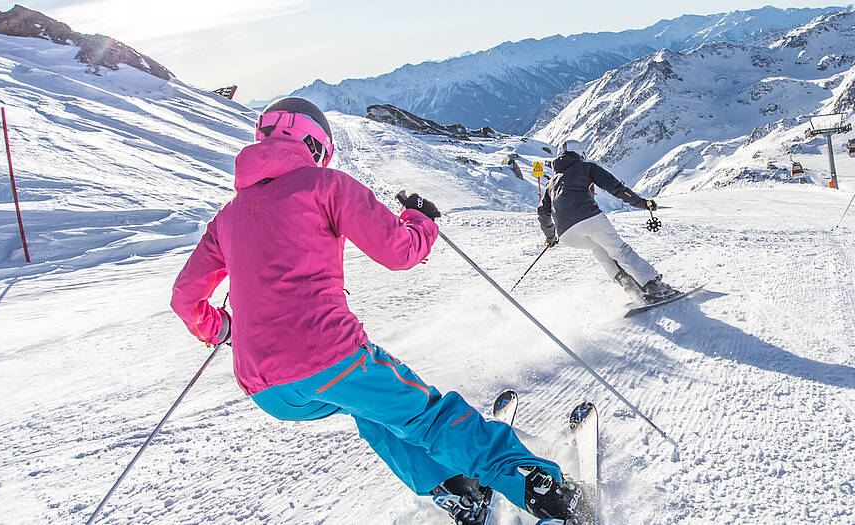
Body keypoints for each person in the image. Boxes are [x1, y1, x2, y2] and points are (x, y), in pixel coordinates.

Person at [169, 97, 577, 525]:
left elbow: (185, 299)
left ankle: (459, 492)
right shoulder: (325, 185)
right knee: (430, 416)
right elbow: (400, 252)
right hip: (330, 357)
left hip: (267, 390)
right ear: (314, 144)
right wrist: (420, 220)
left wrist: (223, 328)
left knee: (374, 411)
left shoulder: (227, 216)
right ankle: (542, 490)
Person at [537, 142, 679, 304]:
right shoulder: (586, 168)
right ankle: (654, 287)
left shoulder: (551, 184)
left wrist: (550, 237)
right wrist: (642, 203)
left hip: (567, 235)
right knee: (619, 250)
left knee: (598, 247)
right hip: (588, 218)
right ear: (579, 154)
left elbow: (542, 213)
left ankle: (631, 287)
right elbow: (616, 187)